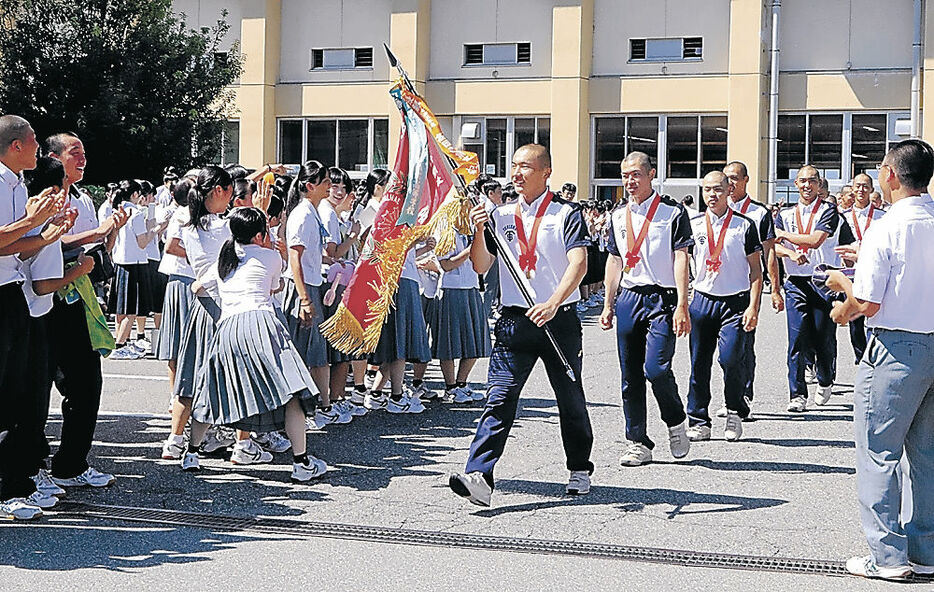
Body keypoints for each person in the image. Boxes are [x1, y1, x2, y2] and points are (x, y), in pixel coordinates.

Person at [449, 144, 594, 506]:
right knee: (498, 398)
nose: (516, 173)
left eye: (525, 167)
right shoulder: (499, 214)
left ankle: (579, 466)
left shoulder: (566, 214)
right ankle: (480, 475)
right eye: (513, 166)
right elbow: (482, 266)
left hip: (557, 320)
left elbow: (579, 264)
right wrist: (480, 231)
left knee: (569, 397)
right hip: (515, 321)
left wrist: (553, 302)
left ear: (545, 172)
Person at [826, 139, 934, 580]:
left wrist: (840, 286)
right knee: (925, 456)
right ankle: (924, 551)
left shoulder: (885, 228)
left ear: (890, 174)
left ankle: (887, 557)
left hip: (895, 348)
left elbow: (867, 301)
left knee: (878, 453)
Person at [184, 207, 326, 481]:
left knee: (210, 391)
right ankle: (301, 462)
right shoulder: (271, 256)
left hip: (228, 327)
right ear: (261, 235)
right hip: (262, 324)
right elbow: (274, 288)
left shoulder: (223, 260)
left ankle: (190, 453)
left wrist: (219, 310)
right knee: (293, 391)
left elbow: (196, 288)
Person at [600, 151, 693, 467]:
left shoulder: (671, 213)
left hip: (662, 299)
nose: (630, 181)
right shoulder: (616, 215)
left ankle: (676, 419)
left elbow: (681, 257)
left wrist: (682, 303)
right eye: (625, 175)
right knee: (630, 375)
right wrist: (608, 302)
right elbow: (615, 259)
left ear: (652, 174)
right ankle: (637, 440)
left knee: (656, 368)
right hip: (629, 297)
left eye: (636, 174)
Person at [45, 131, 126, 490]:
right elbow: (47, 241)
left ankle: (71, 463)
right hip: (43, 298)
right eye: (73, 152)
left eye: (83, 152)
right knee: (30, 390)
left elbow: (96, 246)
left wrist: (109, 232)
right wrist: (95, 233)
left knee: (86, 384)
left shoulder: (83, 197)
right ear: (52, 157)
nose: (81, 159)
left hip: (78, 294)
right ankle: (28, 469)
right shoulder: (41, 195)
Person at [0, 115, 70, 519]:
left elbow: (20, 249)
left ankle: (12, 486)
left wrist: (50, 231)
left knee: (17, 394)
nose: (38, 152)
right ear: (15, 147)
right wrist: (33, 221)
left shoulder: (17, 184)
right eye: (32, 144)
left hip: (11, 294)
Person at [685, 172, 762, 442]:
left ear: (729, 190)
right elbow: (681, 264)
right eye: (707, 190)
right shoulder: (693, 224)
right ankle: (698, 419)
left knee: (731, 359)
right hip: (703, 299)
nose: (712, 195)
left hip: (735, 302)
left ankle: (733, 411)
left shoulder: (744, 225)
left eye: (718, 189)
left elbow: (755, 270)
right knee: (698, 362)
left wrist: (754, 307)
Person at [773, 165, 847, 412]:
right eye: (802, 181)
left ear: (819, 185)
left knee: (822, 339)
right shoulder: (784, 214)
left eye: (812, 181)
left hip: (822, 281)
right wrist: (791, 254)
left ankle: (825, 378)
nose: (807, 186)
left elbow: (815, 240)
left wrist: (785, 236)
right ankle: (797, 394)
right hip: (795, 282)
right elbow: (773, 245)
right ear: (795, 184)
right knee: (797, 338)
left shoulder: (828, 210)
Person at [721, 161, 783, 419]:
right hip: (719, 287)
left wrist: (776, 289)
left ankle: (743, 394)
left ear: (746, 180)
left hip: (748, 287)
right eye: (727, 178)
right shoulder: (715, 211)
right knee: (723, 351)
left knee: (743, 344)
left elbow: (770, 253)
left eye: (735, 178)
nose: (730, 183)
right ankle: (730, 395)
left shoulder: (758, 213)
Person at [433, 230, 491, 401]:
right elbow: (446, 265)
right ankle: (450, 387)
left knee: (475, 340)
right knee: (448, 343)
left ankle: (461, 383)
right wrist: (470, 250)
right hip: (451, 289)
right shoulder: (446, 232)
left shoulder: (473, 231)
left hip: (471, 287)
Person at [840, 174, 886, 364]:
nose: (861, 190)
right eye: (857, 186)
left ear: (871, 189)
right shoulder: (842, 217)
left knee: (873, 314)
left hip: (875, 272)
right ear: (852, 189)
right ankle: (861, 357)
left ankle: (873, 356)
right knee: (855, 320)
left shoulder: (882, 216)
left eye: (865, 186)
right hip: (851, 274)